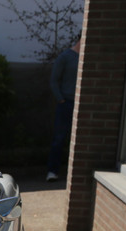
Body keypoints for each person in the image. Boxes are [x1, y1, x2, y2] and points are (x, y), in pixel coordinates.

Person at [47, 37, 80, 182]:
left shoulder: (87, 58)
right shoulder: (65, 57)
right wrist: (61, 99)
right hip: (67, 102)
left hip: (80, 103)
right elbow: (54, 80)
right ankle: (52, 171)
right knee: (59, 138)